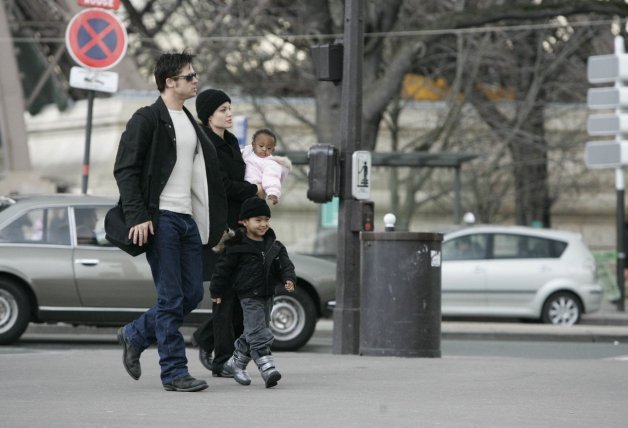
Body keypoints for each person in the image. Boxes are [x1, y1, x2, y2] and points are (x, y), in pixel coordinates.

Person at [112, 52, 228, 392]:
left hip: (187, 220)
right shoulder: (147, 119)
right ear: (170, 82)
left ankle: (135, 333)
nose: (195, 80)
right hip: (160, 219)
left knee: (191, 293)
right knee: (169, 298)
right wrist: (138, 216)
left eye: (194, 75)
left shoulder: (191, 122)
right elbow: (126, 169)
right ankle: (174, 372)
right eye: (189, 76)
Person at [192, 88, 263, 377]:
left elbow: (242, 178)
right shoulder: (204, 142)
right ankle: (221, 358)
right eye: (223, 109)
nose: (229, 113)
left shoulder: (233, 141)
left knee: (241, 293)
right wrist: (253, 190)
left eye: (230, 108)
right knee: (226, 295)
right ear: (209, 114)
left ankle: (207, 339)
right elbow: (219, 185)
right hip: (218, 230)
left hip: (240, 227)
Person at [210, 197, 296, 388]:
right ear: (244, 222)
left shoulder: (274, 245)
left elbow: (285, 266)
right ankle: (267, 367)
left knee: (253, 330)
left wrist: (288, 279)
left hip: (267, 295)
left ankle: (235, 363)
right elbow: (222, 272)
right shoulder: (236, 247)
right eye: (258, 220)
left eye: (266, 219)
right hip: (248, 295)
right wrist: (216, 291)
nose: (263, 224)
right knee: (259, 331)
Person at [241, 128, 292, 205]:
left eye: (269, 148)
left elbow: (272, 177)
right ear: (253, 145)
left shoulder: (270, 163)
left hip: (255, 192)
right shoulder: (246, 153)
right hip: (240, 187)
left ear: (273, 150)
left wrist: (273, 192)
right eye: (261, 146)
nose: (264, 149)